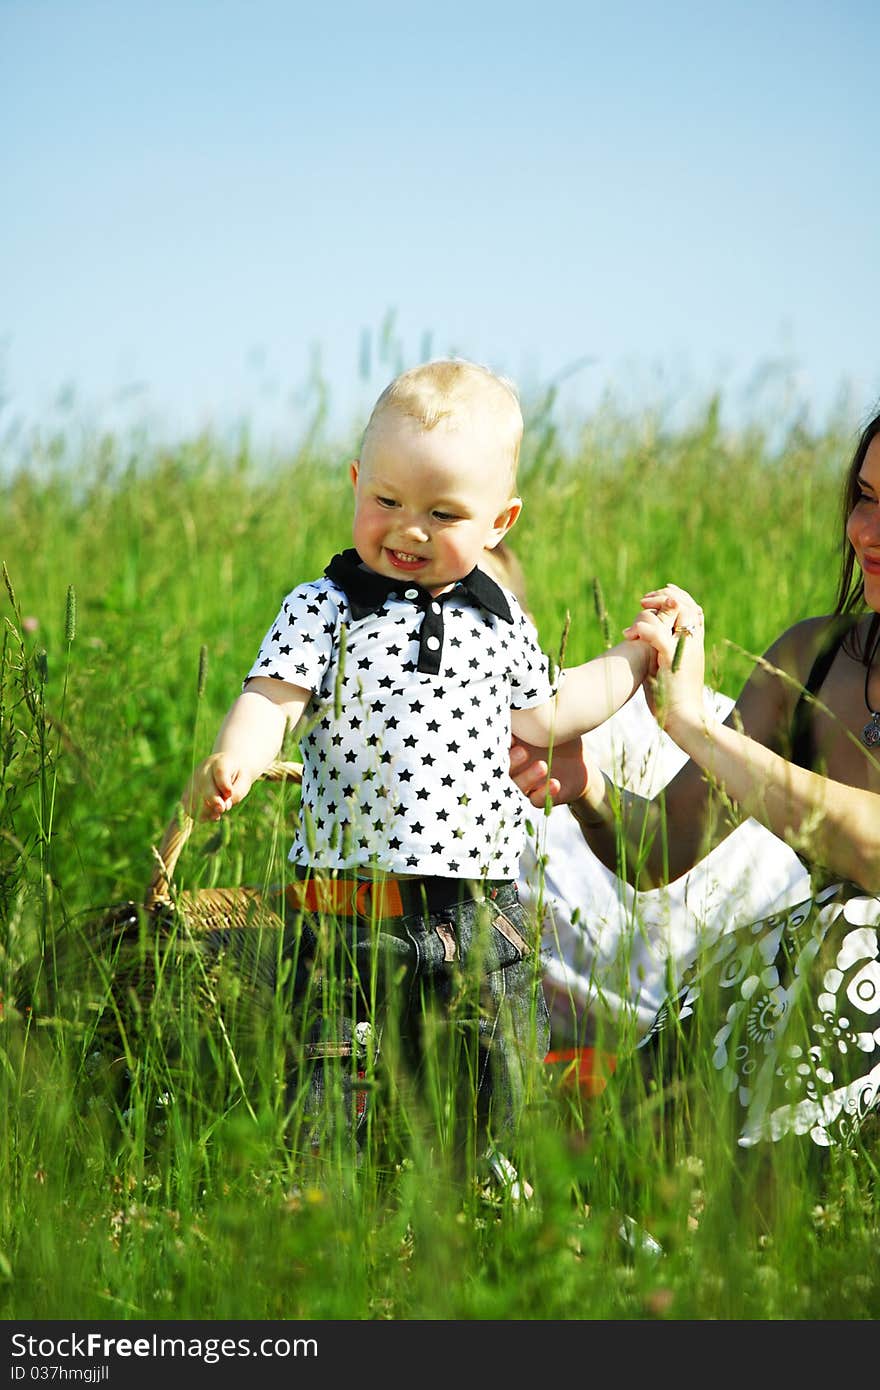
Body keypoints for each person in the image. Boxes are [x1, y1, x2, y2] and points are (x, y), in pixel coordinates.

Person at [185, 358, 654, 1174]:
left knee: (496, 1073)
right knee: (329, 1074)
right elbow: (273, 695)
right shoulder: (324, 605)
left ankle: (486, 1198)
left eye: (443, 513)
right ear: (357, 481)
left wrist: (634, 658)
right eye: (387, 502)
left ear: (500, 522)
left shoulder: (499, 619)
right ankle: (323, 1210)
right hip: (344, 906)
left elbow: (549, 712)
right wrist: (238, 754)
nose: (408, 529)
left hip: (477, 908)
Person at [511, 407, 880, 1155]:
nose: (866, 532)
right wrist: (586, 791)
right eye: (865, 498)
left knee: (856, 936)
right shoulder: (815, 658)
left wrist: (700, 730)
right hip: (798, 997)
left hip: (849, 1006)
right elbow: (657, 854)